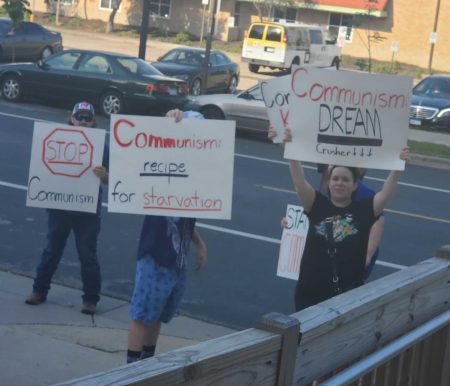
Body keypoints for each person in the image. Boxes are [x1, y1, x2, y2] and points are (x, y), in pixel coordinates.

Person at [269, 126, 409, 311]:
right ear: (329, 183)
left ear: (354, 185)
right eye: (335, 179)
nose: (339, 183)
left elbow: (386, 192)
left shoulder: (365, 209)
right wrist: (290, 150)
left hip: (346, 296)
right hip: (310, 291)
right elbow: (299, 182)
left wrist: (397, 167)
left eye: (345, 179)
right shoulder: (316, 204)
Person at [126, 109, 207, 364]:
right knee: (142, 315)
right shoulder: (163, 165)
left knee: (158, 315)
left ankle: (147, 366)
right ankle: (131, 372)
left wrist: (199, 243)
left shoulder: (196, 175)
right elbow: (148, 148)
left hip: (177, 260)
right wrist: (170, 121)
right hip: (155, 255)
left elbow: (181, 220)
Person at [25, 102, 108, 315]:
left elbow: (114, 180)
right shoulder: (55, 138)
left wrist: (105, 176)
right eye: (78, 117)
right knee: (51, 250)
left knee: (88, 256)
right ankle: (39, 291)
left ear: (93, 121)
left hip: (88, 212)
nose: (82, 121)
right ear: (71, 119)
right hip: (59, 207)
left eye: (87, 118)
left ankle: (90, 300)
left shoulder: (101, 146)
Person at [318, 165, 385, 280]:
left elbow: (378, 221)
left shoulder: (364, 194)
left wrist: (367, 254)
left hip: (352, 256)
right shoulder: (326, 190)